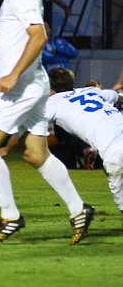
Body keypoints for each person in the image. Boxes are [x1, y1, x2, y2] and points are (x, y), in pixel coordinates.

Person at [0, 0, 94, 245]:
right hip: (35, 83)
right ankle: (79, 209)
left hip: (21, 87)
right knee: (35, 153)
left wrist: (12, 74)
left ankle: (10, 215)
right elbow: (19, 35)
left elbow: (38, 36)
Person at [44, 68, 123, 214]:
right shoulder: (91, 91)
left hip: (114, 151)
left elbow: (25, 122)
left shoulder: (51, 103)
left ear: (50, 89)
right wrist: (118, 87)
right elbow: (117, 96)